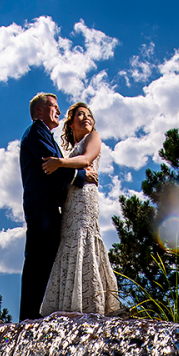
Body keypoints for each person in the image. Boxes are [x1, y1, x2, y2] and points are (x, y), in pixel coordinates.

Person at [38, 102, 121, 316]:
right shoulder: (65, 152)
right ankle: (67, 305)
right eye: (80, 115)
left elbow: (85, 159)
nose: (87, 118)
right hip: (69, 203)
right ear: (71, 123)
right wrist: (62, 163)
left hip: (84, 197)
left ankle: (91, 304)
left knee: (84, 238)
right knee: (69, 242)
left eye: (89, 115)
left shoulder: (93, 138)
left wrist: (59, 163)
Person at [17, 93, 94, 320]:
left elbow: (57, 165)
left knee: (48, 260)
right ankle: (29, 316)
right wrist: (82, 175)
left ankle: (40, 313)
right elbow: (50, 165)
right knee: (37, 258)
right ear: (39, 110)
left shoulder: (44, 134)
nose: (59, 112)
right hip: (41, 205)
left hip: (50, 207)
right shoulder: (35, 131)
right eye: (54, 107)